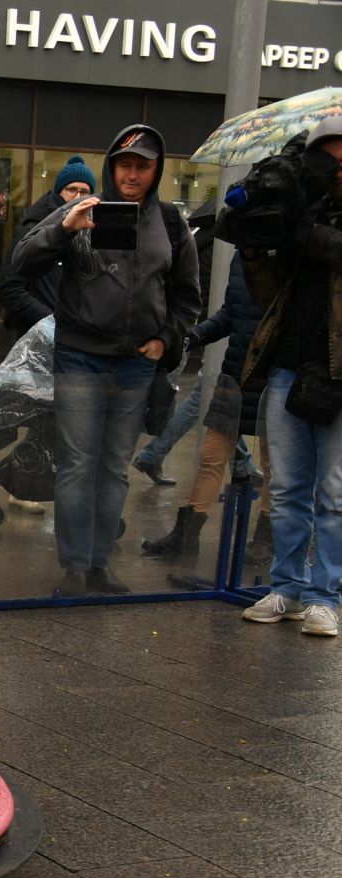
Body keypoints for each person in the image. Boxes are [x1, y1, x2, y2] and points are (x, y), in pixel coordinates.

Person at [9, 124, 200, 597]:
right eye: (125, 164)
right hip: (80, 357)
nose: (132, 174)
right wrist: (63, 229)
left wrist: (165, 338)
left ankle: (98, 564)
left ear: (156, 171)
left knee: (114, 466)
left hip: (137, 364)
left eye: (143, 166)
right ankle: (74, 565)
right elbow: (19, 263)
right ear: (111, 166)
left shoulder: (171, 223)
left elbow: (187, 296)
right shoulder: (78, 210)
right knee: (76, 464)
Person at [239, 117, 342, 637]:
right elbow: (269, 298)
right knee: (286, 491)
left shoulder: (313, 221)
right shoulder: (304, 209)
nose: (336, 169)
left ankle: (327, 597)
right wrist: (255, 251)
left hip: (339, 375)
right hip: (288, 366)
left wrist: (307, 229)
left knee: (336, 494)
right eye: (328, 157)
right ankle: (289, 588)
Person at [140, 255, 267, 561]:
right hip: (235, 373)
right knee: (211, 456)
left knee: (276, 464)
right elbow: (231, 313)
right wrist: (194, 335)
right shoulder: (242, 255)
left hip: (273, 372)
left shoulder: (292, 249)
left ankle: (266, 540)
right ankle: (186, 537)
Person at [0, 157, 94, 336]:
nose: (78, 197)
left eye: (85, 191)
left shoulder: (91, 230)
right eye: (71, 189)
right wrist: (50, 321)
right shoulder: (35, 227)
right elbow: (9, 288)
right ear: (59, 191)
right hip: (39, 335)